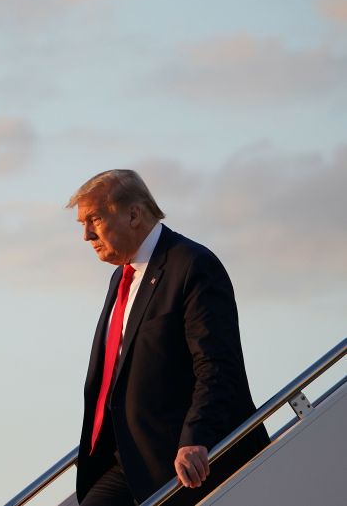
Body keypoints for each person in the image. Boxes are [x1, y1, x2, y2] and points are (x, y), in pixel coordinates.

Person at [67, 169, 269, 506]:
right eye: (82, 225)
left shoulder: (191, 265)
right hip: (128, 461)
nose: (87, 235)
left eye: (95, 219)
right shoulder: (122, 278)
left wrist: (197, 438)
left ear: (134, 214)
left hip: (184, 461)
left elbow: (216, 364)